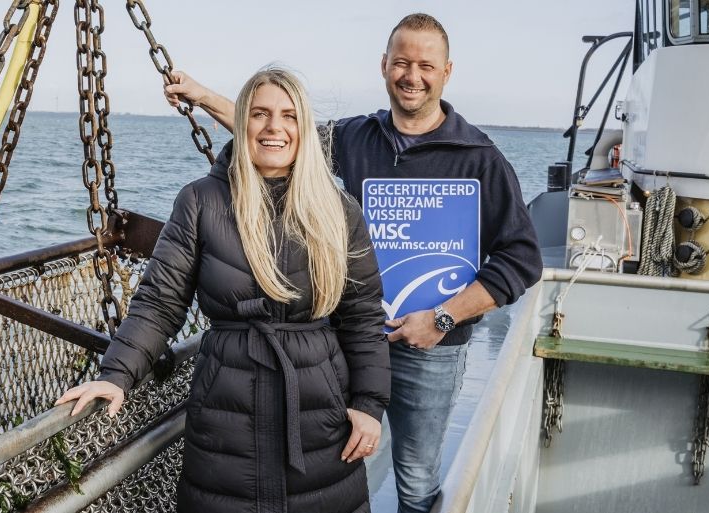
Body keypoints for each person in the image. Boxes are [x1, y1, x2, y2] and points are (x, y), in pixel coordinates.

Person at [161, 14, 543, 512]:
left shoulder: (479, 158)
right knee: (338, 462)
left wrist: (444, 317)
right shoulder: (354, 137)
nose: (412, 75)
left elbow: (521, 257)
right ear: (384, 66)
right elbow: (278, 134)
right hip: (347, 341)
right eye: (401, 62)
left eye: (426, 65)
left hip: (430, 346)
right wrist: (201, 94)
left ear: (447, 71)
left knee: (417, 479)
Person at [56, 67, 391, 513]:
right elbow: (160, 303)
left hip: (319, 410)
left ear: (304, 127)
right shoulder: (201, 200)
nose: (275, 128)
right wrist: (115, 375)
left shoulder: (339, 209)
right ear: (242, 121)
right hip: (226, 411)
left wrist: (369, 403)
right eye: (260, 114)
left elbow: (363, 314)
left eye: (289, 116)